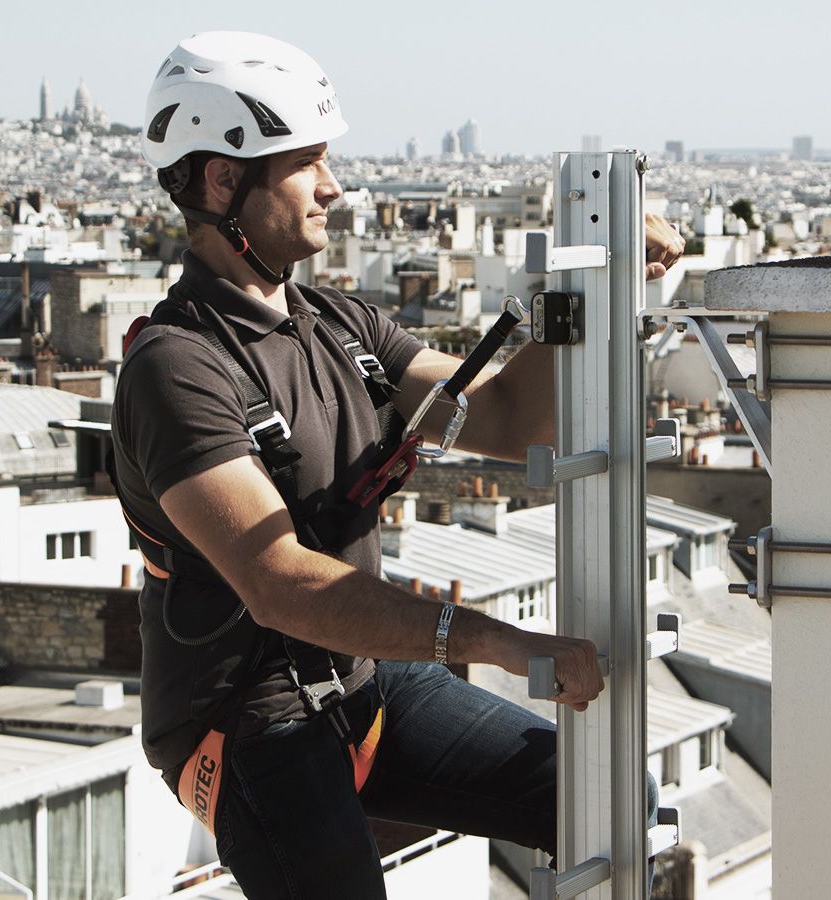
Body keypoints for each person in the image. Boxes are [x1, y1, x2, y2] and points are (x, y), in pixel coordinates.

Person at [112, 31, 684, 898]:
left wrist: (598, 293)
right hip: (250, 723)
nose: (334, 188)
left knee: (613, 800)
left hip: (361, 687)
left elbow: (504, 414)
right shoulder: (176, 367)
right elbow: (281, 583)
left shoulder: (345, 328)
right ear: (223, 181)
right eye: (306, 164)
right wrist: (492, 640)